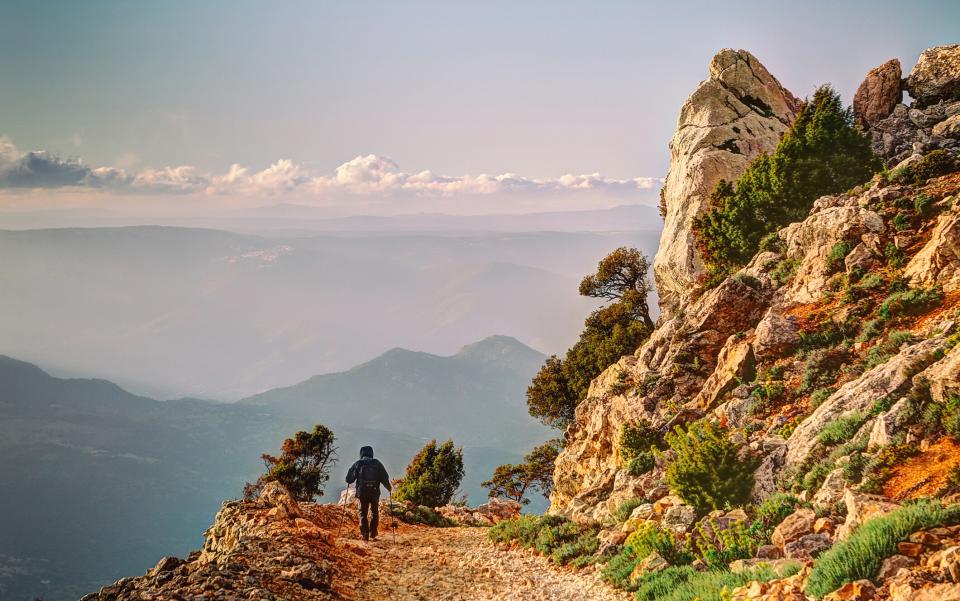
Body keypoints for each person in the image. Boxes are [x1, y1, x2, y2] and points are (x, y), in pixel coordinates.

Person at [345, 445, 391, 541]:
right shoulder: (377, 463)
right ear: (371, 453)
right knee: (375, 512)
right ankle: (373, 532)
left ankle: (365, 533)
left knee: (363, 512)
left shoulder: (358, 464)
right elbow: (385, 477)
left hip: (362, 492)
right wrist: (389, 488)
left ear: (361, 453)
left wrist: (349, 480)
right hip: (374, 492)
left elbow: (349, 479)